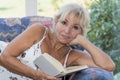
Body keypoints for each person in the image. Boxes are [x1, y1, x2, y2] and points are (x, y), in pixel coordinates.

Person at [0, 3, 115, 80]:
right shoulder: (39, 31)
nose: (67, 31)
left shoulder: (73, 56)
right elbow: (4, 58)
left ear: (81, 32)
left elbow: (108, 66)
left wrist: (85, 42)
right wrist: (37, 75)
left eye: (75, 27)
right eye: (64, 22)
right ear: (55, 22)